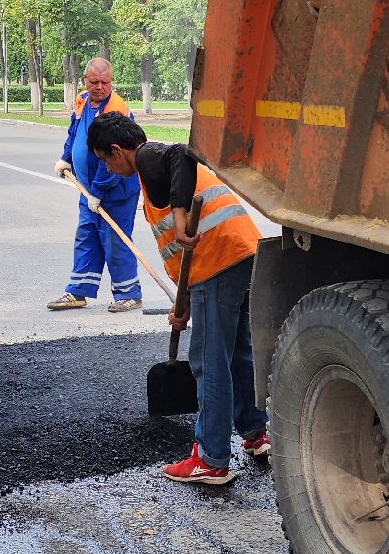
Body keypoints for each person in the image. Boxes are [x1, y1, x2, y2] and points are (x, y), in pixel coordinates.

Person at [87, 114, 268, 484]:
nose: (108, 167)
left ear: (118, 150)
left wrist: (182, 216)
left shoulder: (149, 157)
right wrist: (182, 303)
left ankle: (211, 458)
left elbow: (182, 155)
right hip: (241, 253)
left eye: (105, 160)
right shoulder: (150, 174)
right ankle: (255, 434)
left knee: (209, 360)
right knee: (237, 352)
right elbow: (178, 254)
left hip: (217, 261)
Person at [48, 59, 143, 313]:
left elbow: (113, 159)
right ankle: (78, 291)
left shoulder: (115, 109)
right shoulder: (81, 101)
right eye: (94, 82)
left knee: (115, 240)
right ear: (85, 81)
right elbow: (74, 132)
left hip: (116, 188)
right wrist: (66, 159)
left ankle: (129, 293)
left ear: (111, 82)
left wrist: (98, 192)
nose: (99, 87)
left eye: (105, 82)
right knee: (86, 237)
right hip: (88, 189)